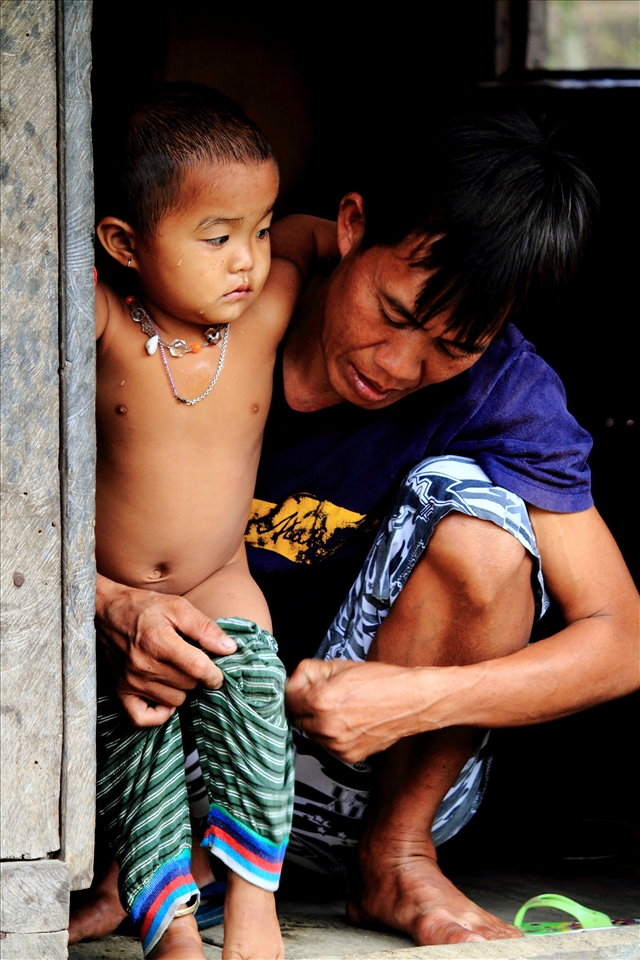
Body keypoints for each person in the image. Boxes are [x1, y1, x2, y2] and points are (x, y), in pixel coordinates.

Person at [85, 113, 639, 948]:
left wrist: (414, 700)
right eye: (393, 312)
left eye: (453, 346)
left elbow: (622, 639)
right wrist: (109, 604)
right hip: (141, 717)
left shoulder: (504, 387)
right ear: (350, 227)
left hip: (344, 762)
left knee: (483, 519)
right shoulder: (213, 288)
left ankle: (396, 856)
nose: (397, 364)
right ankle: (155, 862)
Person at [83, 83, 336, 960]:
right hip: (122, 598)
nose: (248, 261)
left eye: (257, 231)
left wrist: (315, 233)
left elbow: (313, 234)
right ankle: (175, 936)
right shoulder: (108, 326)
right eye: (217, 236)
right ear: (122, 243)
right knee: (139, 750)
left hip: (223, 576)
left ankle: (254, 911)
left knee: (256, 716)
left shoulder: (266, 313)